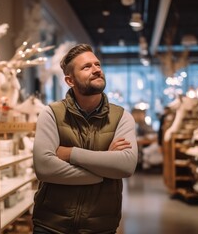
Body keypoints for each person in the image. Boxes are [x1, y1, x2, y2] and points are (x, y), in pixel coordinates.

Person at [32, 43, 138, 234]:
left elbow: (126, 166)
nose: (96, 70)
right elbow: (44, 168)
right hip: (50, 224)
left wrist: (71, 153)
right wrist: (104, 168)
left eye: (97, 64)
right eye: (87, 67)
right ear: (70, 80)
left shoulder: (121, 116)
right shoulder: (51, 114)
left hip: (100, 226)